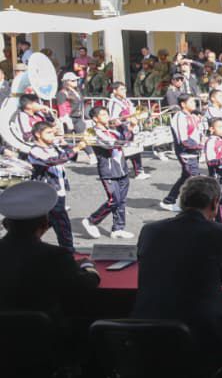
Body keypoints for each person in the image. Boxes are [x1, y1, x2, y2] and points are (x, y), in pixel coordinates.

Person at [133, 176, 222, 374]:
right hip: (198, 329)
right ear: (215, 202)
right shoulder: (220, 233)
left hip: (146, 326)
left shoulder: (149, 230)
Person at [0, 181, 100, 340]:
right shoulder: (55, 256)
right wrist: (89, 266)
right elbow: (86, 285)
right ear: (45, 225)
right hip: (45, 340)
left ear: (6, 224)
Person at [27, 122, 88, 250]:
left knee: (45, 223)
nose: (52, 136)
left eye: (53, 133)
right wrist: (76, 148)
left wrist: (68, 145)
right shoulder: (35, 150)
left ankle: (27, 245)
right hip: (47, 192)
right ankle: (68, 253)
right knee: (63, 225)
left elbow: (71, 157)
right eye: (48, 133)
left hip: (59, 190)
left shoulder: (54, 147)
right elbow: (53, 161)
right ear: (38, 134)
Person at [82, 106, 134, 240]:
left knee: (121, 200)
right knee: (114, 200)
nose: (107, 117)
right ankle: (91, 220)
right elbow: (109, 144)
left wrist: (128, 126)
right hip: (108, 171)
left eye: (107, 114)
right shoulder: (92, 132)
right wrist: (122, 127)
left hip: (121, 168)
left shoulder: (112, 130)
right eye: (103, 115)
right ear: (95, 118)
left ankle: (118, 228)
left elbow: (127, 140)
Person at [160, 94, 205, 212]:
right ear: (183, 104)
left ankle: (169, 200)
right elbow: (183, 140)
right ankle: (192, 206)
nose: (194, 104)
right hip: (186, 153)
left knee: (185, 177)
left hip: (193, 152)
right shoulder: (180, 117)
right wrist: (199, 146)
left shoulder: (192, 116)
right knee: (195, 181)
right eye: (191, 102)